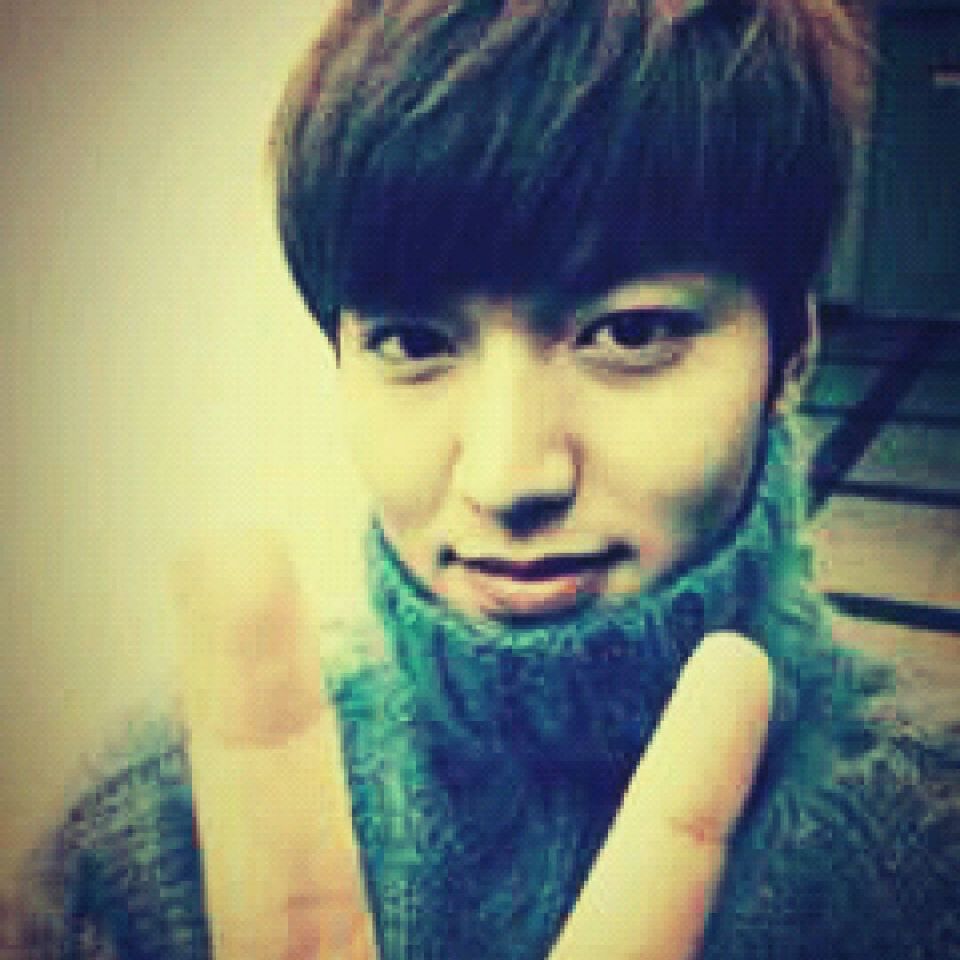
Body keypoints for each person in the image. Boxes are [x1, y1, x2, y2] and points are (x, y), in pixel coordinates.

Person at [14, 1, 959, 958]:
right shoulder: (153, 847)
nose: (507, 478)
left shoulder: (931, 857)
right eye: (413, 342)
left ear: (791, 353)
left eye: (629, 332)